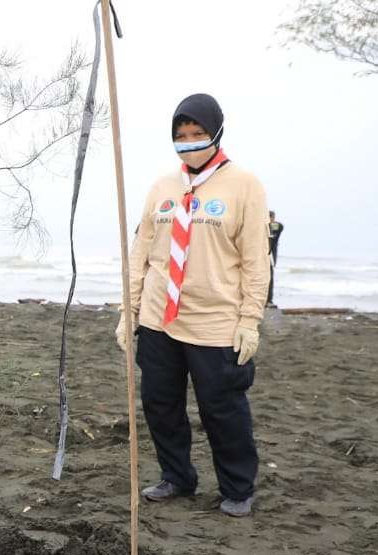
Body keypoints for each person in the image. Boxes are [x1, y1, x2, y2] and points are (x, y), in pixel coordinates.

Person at [118, 93, 270, 518]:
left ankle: (237, 488)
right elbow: (140, 253)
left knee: (222, 410)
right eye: (180, 136)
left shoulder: (244, 186)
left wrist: (250, 320)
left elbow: (257, 261)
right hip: (158, 319)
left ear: (216, 133)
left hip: (216, 320)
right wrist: (127, 312)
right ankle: (177, 477)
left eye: (197, 134)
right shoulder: (163, 188)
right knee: (160, 404)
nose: (188, 142)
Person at [267, 211, 284, 306]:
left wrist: (269, 223)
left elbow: (280, 226)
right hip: (260, 256)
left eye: (271, 217)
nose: (269, 219)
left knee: (270, 278)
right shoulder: (261, 227)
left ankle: (269, 300)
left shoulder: (276, 227)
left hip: (270, 256)